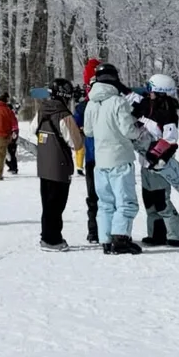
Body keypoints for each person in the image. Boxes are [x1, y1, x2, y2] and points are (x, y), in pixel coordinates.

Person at [84, 62, 143, 253]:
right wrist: (138, 128)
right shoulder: (118, 101)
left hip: (100, 162)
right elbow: (128, 131)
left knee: (105, 202)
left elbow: (89, 131)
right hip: (120, 158)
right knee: (125, 200)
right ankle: (121, 238)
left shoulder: (91, 104)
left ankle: (106, 240)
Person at [134, 72, 179, 247]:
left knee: (161, 201)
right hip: (144, 163)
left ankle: (176, 236)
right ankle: (157, 234)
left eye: (150, 89)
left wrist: (160, 157)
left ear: (161, 92)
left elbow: (170, 139)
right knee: (149, 201)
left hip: (159, 165)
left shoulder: (168, 114)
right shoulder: (148, 107)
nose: (148, 93)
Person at [34, 79, 83, 248]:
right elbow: (76, 143)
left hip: (44, 163)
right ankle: (52, 239)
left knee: (47, 203)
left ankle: (46, 234)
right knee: (57, 204)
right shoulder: (64, 115)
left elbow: (34, 129)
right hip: (59, 165)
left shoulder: (41, 110)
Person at [74, 58, 100, 242]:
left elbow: (74, 128)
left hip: (92, 157)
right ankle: (116, 231)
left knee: (93, 197)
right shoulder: (116, 102)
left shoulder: (83, 106)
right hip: (113, 157)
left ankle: (94, 230)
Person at [0, 93, 18, 180]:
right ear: (6, 100)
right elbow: (13, 122)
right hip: (3, 135)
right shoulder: (7, 110)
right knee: (1, 155)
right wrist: (13, 132)